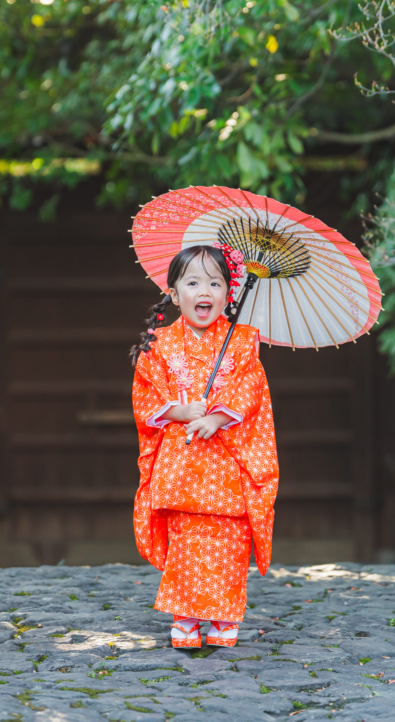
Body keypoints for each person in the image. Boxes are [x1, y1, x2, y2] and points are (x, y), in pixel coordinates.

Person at [130, 243, 279, 649]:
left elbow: (251, 390)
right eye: (193, 282)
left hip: (227, 461)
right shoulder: (158, 345)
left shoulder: (242, 342)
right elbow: (144, 396)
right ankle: (186, 617)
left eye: (215, 283)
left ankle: (224, 616)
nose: (205, 292)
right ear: (175, 294)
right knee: (186, 541)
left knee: (228, 542)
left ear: (229, 293)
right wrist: (178, 411)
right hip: (181, 463)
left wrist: (215, 417)